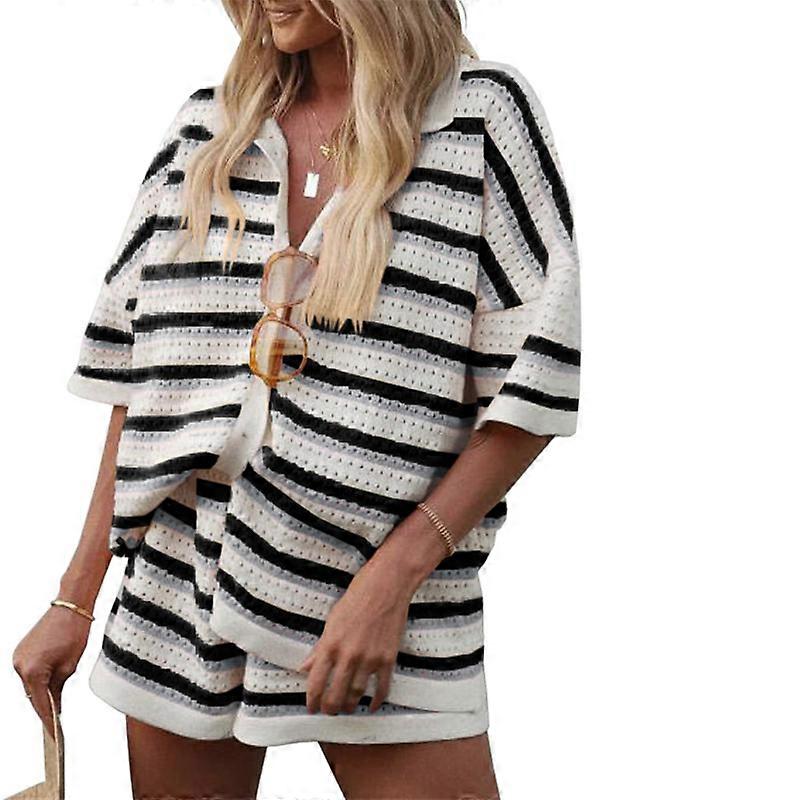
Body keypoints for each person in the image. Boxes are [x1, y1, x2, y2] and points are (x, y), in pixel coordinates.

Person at [11, 1, 581, 797]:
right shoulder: (205, 131)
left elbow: (534, 379)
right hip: (179, 596)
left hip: (394, 605)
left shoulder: (477, 115)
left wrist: (391, 583)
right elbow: (140, 388)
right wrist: (74, 600)